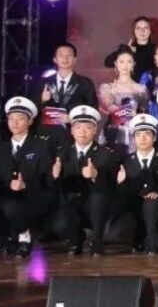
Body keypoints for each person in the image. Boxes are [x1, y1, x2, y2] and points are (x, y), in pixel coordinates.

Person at [0, 97, 52, 257]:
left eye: (20, 119)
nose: (15, 123)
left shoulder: (41, 146)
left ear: (30, 121)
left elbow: (47, 178)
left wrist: (26, 185)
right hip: (7, 200)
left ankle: (24, 237)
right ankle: (12, 239)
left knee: (13, 207)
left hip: (33, 199)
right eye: (11, 119)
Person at [49, 105, 117, 255]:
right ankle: (75, 240)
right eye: (78, 127)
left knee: (99, 199)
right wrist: (54, 176)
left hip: (95, 205)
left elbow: (112, 185)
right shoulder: (62, 153)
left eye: (87, 128)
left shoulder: (106, 154)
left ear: (95, 130)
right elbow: (54, 186)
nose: (82, 132)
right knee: (58, 224)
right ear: (72, 131)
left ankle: (97, 242)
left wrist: (96, 175)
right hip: (71, 203)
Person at [108, 114, 158, 255]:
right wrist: (121, 183)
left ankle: (153, 243)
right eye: (138, 135)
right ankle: (139, 238)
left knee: (152, 203)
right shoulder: (125, 161)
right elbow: (122, 197)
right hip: (135, 209)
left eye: (147, 134)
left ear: (154, 138)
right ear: (133, 138)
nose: (142, 139)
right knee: (114, 231)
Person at [33, 43, 98, 153]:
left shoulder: (85, 83)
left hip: (73, 134)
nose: (65, 58)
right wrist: (42, 100)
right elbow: (31, 109)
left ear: (75, 59)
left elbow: (93, 108)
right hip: (47, 134)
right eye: (61, 55)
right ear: (55, 59)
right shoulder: (44, 82)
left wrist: (74, 118)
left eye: (69, 55)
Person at [97, 49, 150, 155]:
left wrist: (136, 115)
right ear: (116, 64)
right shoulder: (107, 87)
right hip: (113, 130)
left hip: (134, 132)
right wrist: (112, 94)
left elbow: (144, 112)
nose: (125, 65)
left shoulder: (141, 89)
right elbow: (108, 106)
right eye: (121, 61)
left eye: (129, 61)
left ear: (134, 64)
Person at [103, 16, 156, 81]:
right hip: (133, 85)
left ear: (150, 31)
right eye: (138, 28)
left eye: (145, 28)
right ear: (134, 31)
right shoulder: (128, 49)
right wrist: (125, 50)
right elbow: (107, 62)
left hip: (153, 85)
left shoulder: (157, 49)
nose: (142, 31)